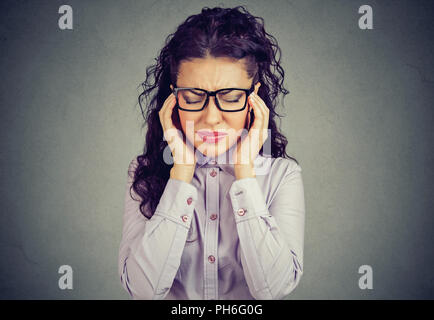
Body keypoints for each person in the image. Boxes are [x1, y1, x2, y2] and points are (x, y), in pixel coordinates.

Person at [118, 6, 305, 300]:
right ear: (173, 99)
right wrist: (180, 174)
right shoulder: (143, 171)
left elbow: (274, 289)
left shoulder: (282, 176)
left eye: (230, 98)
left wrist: (244, 173)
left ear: (253, 99)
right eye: (193, 98)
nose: (211, 117)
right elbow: (143, 291)